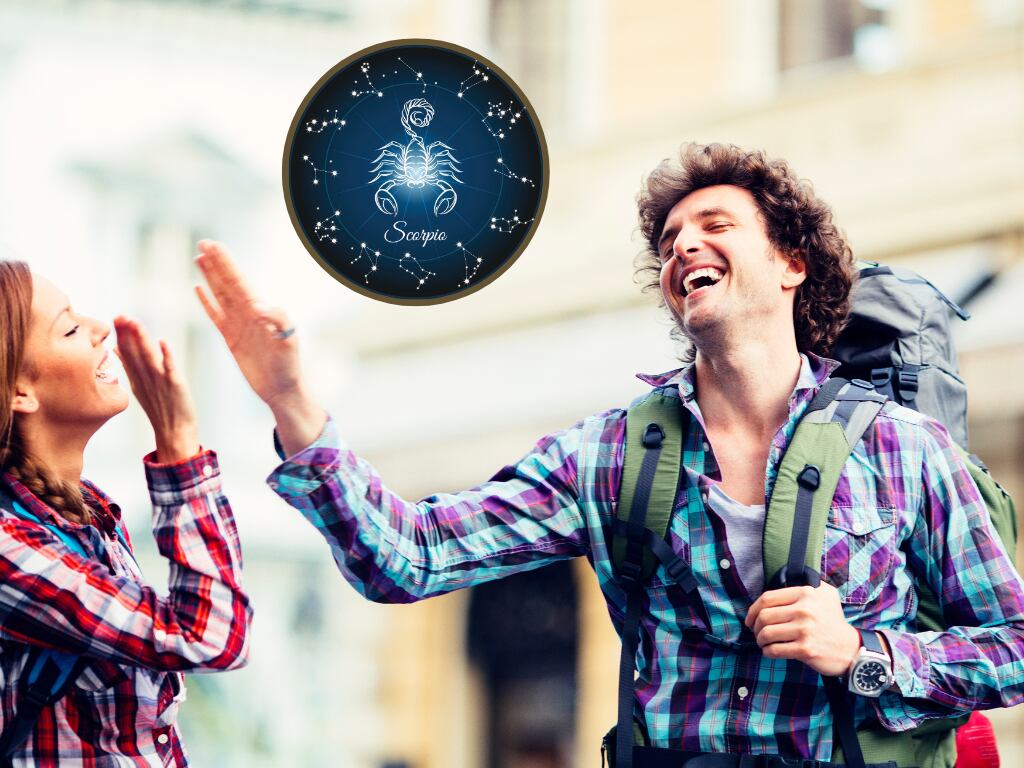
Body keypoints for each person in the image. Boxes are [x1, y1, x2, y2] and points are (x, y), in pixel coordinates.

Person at [193, 143, 1024, 766]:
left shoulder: (901, 449)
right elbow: (408, 559)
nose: (681, 247)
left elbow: (1013, 647)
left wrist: (869, 655)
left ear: (790, 264)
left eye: (715, 226)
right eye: (668, 240)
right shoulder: (611, 453)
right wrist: (292, 403)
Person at [0, 260, 252, 766]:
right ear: (19, 392)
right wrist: (179, 448)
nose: (99, 328)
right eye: (70, 327)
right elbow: (207, 636)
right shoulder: (8, 547)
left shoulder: (91, 515)